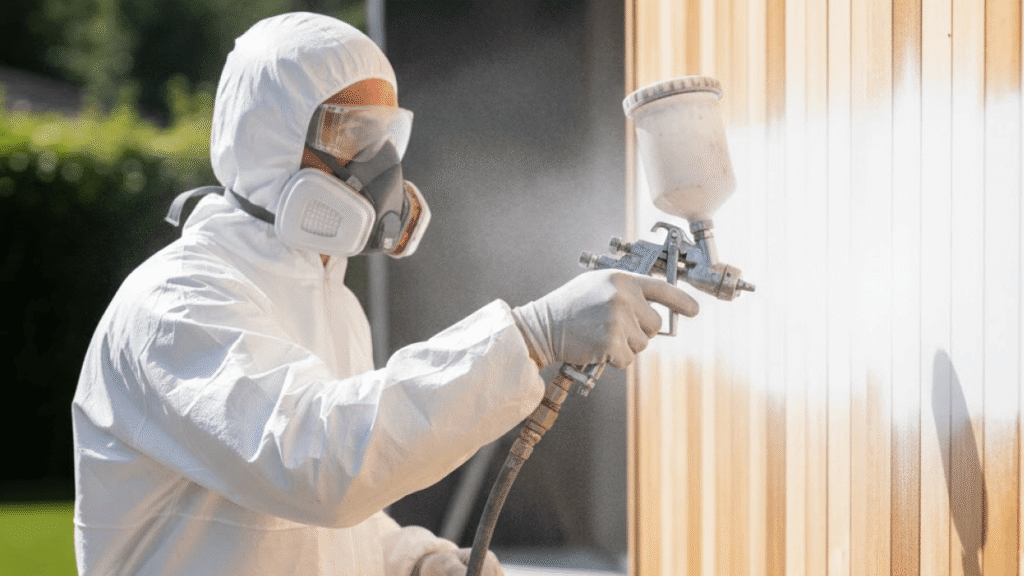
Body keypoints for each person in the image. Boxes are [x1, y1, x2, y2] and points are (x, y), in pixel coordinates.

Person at [71, 12, 698, 576]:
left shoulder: (331, 303)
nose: (379, 167)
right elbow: (316, 463)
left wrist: (412, 561)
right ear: (271, 139)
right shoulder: (177, 304)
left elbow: (319, 523)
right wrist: (531, 335)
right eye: (351, 132)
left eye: (385, 134)